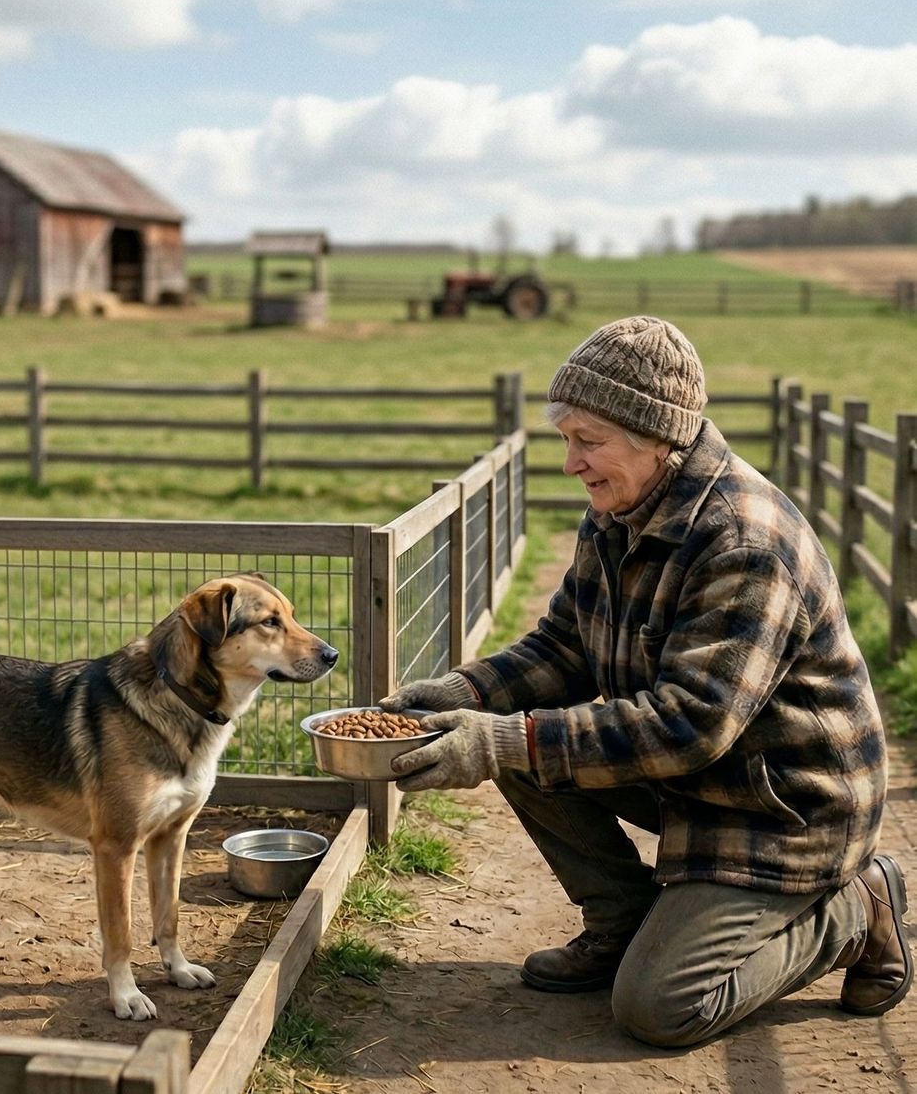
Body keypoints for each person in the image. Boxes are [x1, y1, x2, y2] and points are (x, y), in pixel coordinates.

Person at [382, 315, 911, 1047]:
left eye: (588, 440)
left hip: (782, 807)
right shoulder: (621, 509)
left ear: (659, 435)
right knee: (519, 740)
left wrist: (503, 738)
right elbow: (565, 646)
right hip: (701, 780)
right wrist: (467, 694)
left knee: (660, 1008)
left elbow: (691, 724)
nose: (571, 463)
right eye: (566, 438)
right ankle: (621, 922)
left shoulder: (744, 542)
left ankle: (856, 907)